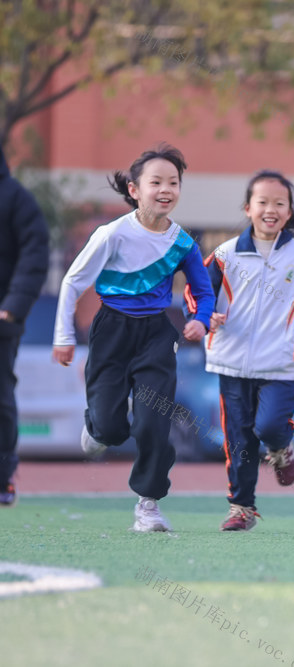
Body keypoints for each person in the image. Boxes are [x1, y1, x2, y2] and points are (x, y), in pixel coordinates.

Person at [52, 144, 215, 532]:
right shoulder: (112, 234)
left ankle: (149, 504)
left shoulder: (183, 243)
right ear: (134, 190)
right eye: (155, 181)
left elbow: (204, 290)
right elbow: (73, 282)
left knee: (153, 421)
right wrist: (64, 336)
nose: (166, 189)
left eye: (173, 182)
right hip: (111, 331)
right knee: (110, 429)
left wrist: (201, 320)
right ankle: (97, 427)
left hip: (156, 334)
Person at [201, 170, 294, 531]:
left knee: (269, 425)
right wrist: (203, 317)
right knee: (240, 440)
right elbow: (200, 291)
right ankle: (241, 508)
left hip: (280, 363)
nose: (271, 209)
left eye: (279, 203)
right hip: (230, 362)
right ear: (248, 208)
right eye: (262, 202)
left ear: (289, 211)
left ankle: (281, 449)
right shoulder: (225, 254)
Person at [0, 145, 50, 507]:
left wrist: (12, 308)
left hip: (2, 320)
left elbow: (35, 254)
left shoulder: (16, 198)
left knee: (0, 399)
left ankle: (2, 479)